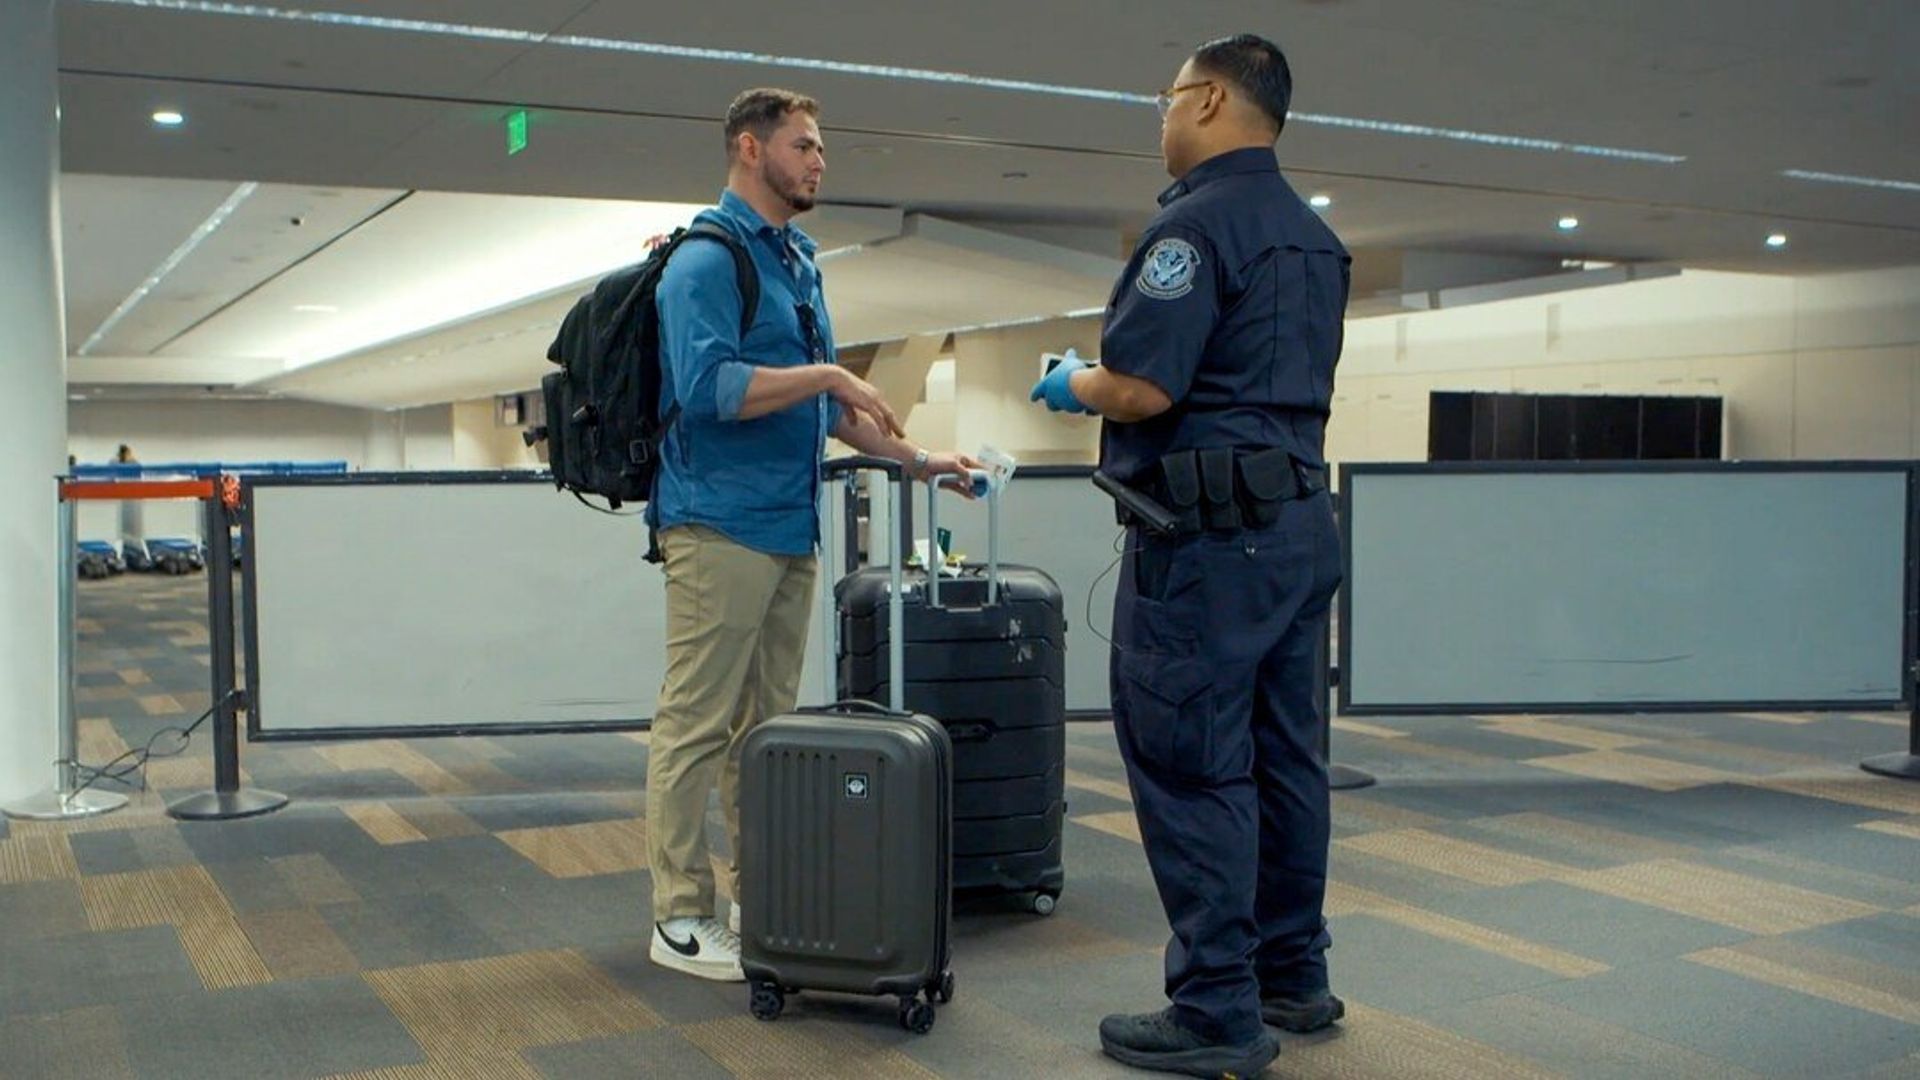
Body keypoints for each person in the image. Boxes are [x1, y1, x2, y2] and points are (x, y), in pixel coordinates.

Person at [1029, 34, 1350, 1078]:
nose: (1159, 118)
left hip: (1210, 550)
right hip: (1299, 529)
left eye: (1164, 99)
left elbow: (1147, 388)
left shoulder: (1196, 226)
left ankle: (1218, 1008)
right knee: (1288, 755)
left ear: (1208, 99)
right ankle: (1292, 976)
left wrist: (1074, 380)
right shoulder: (1311, 235)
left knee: (1192, 759)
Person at [644, 87, 978, 982]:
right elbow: (713, 390)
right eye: (803, 145)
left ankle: (764, 894)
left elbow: (837, 411)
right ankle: (677, 914)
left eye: (822, 147)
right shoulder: (705, 263)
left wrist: (918, 459)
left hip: (789, 526)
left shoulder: (797, 260)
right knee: (696, 723)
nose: (819, 160)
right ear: (750, 150)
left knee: (765, 728)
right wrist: (828, 368)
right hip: (717, 523)